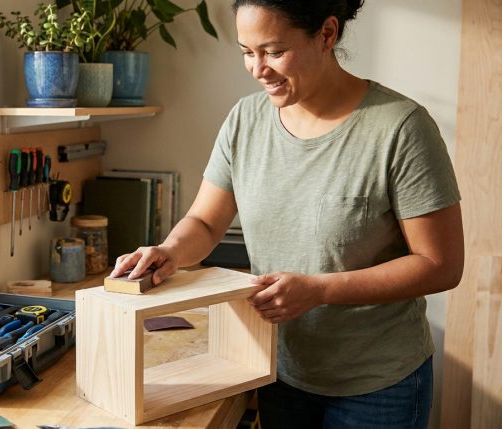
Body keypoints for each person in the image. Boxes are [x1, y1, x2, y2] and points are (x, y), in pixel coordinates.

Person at [108, 0, 464, 427]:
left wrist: (319, 290)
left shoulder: (401, 128)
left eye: (274, 51)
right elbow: (205, 222)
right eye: (246, 51)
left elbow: (440, 266)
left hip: (378, 385)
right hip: (280, 370)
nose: (258, 69)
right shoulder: (245, 120)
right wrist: (169, 251)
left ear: (327, 34)